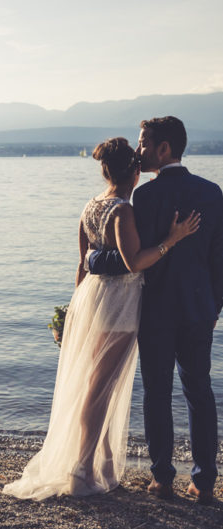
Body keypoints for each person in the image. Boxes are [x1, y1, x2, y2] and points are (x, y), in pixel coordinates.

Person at [3, 137, 200, 500]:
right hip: (118, 307)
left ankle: (102, 466)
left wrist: (71, 315)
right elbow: (134, 262)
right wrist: (172, 239)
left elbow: (82, 266)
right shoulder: (122, 210)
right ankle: (81, 468)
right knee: (100, 389)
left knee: (97, 386)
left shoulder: (90, 205)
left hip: (90, 301)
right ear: (136, 172)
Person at [88, 116, 222, 504]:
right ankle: (204, 483)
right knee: (200, 392)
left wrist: (93, 259)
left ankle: (162, 479)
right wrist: (215, 306)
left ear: (164, 149)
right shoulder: (213, 193)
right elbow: (220, 259)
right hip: (200, 311)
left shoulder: (143, 199)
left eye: (144, 143)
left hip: (156, 312)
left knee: (157, 394)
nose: (139, 150)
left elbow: (129, 259)